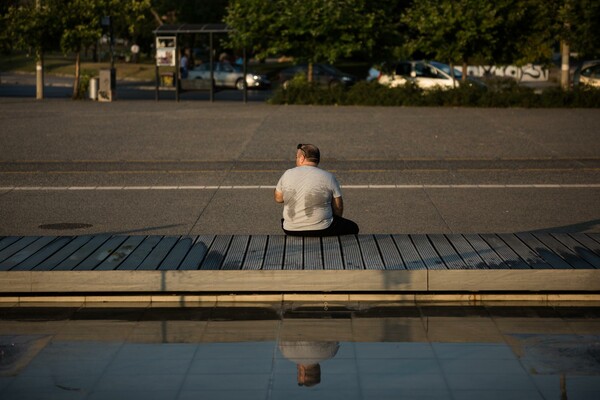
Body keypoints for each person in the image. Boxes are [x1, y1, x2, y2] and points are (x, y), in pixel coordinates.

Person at [275, 143, 359, 236]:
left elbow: (279, 199)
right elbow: (338, 207)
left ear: (302, 158)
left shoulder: (288, 173)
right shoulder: (328, 176)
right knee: (353, 227)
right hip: (322, 229)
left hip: (290, 229)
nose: (296, 160)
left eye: (296, 157)